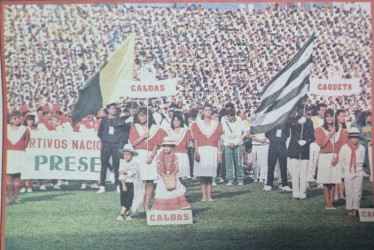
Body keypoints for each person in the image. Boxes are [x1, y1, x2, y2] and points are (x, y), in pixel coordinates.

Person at [129, 107, 167, 211]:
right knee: (140, 181)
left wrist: (151, 156)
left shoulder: (155, 128)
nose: (141, 118)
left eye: (143, 115)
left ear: (148, 116)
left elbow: (157, 144)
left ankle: (147, 204)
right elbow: (133, 143)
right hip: (139, 155)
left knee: (149, 181)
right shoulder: (135, 127)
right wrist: (143, 137)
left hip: (150, 155)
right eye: (139, 116)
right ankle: (140, 203)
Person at [314, 109, 346, 209]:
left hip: (335, 156)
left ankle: (331, 203)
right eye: (327, 116)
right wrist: (330, 134)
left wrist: (337, 156)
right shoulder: (319, 129)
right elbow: (322, 144)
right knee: (325, 181)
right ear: (325, 117)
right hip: (325, 156)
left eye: (331, 116)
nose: (329, 118)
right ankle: (327, 203)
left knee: (333, 181)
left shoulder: (339, 130)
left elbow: (342, 145)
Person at [191, 102, 223, 201]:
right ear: (203, 112)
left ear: (212, 111)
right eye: (206, 110)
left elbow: (218, 139)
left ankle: (209, 195)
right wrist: (196, 152)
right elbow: (195, 139)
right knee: (202, 174)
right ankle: (204, 195)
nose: (208, 112)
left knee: (210, 174)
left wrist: (219, 152)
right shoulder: (197, 124)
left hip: (212, 150)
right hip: (202, 149)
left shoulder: (217, 124)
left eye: (209, 110)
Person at [152, 137, 191, 210]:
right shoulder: (160, 155)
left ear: (172, 147)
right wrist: (162, 174)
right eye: (164, 146)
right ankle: (164, 207)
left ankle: (175, 207)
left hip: (172, 176)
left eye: (168, 146)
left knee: (174, 190)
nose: (166, 148)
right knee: (163, 191)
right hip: (163, 176)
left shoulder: (174, 156)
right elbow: (157, 168)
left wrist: (173, 173)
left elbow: (177, 168)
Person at [97, 103, 128, 193]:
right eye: (111, 108)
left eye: (115, 108)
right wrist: (105, 139)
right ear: (108, 110)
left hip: (116, 145)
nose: (113, 110)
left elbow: (123, 132)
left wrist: (119, 141)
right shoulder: (104, 120)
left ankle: (118, 185)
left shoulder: (120, 120)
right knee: (104, 165)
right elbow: (99, 133)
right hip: (106, 145)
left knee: (116, 165)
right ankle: (102, 185)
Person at [286, 106, 315, 199]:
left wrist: (306, 141)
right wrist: (298, 123)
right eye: (301, 109)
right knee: (295, 173)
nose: (303, 111)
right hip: (294, 149)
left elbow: (312, 136)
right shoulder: (292, 120)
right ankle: (295, 193)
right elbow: (288, 125)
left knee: (303, 173)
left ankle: (303, 193)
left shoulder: (309, 122)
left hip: (304, 149)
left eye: (305, 109)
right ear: (297, 110)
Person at [339, 127, 365, 217]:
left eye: (356, 137)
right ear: (349, 138)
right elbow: (341, 159)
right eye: (352, 137)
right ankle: (349, 208)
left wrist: (358, 168)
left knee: (357, 191)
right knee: (349, 191)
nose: (355, 139)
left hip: (358, 171)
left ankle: (355, 208)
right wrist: (346, 168)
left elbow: (362, 159)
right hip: (348, 171)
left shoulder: (361, 148)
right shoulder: (344, 147)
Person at [5, 110, 31, 204]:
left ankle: (16, 198)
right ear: (10, 119)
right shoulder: (5, 128)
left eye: (18, 118)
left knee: (17, 178)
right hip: (9, 154)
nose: (16, 120)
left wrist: (19, 148)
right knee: (9, 178)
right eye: (14, 118)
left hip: (19, 154)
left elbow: (26, 142)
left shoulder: (24, 129)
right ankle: (10, 198)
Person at [116, 144, 142, 221]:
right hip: (124, 183)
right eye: (124, 154)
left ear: (132, 155)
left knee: (129, 198)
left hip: (132, 183)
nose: (126, 156)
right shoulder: (122, 162)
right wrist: (123, 184)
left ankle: (121, 214)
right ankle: (127, 214)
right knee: (123, 198)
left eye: (128, 154)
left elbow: (133, 173)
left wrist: (126, 172)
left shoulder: (135, 164)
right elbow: (121, 174)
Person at [263, 123, 292, 191]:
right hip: (273, 144)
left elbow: (288, 133)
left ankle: (284, 184)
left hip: (282, 144)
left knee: (283, 166)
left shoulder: (285, 122)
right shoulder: (272, 122)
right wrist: (273, 138)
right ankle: (269, 184)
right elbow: (266, 133)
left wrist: (281, 138)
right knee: (271, 165)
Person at [221, 108, 246, 185]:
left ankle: (240, 179)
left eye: (229, 116)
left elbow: (243, 133)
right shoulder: (224, 123)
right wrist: (229, 143)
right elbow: (222, 134)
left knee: (238, 162)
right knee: (228, 163)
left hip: (238, 144)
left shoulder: (240, 122)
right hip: (227, 144)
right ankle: (230, 179)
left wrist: (236, 142)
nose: (228, 118)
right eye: (227, 117)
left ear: (233, 116)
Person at [167, 111, 192, 179]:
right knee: (173, 177)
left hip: (183, 155)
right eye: (174, 120)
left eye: (178, 120)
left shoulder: (186, 131)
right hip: (172, 156)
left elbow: (188, 146)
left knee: (181, 177)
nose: (176, 122)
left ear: (181, 121)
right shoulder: (169, 131)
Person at [334, 109, 349, 200]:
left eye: (344, 116)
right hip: (334, 153)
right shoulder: (333, 128)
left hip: (342, 154)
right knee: (336, 175)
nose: (343, 118)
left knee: (342, 175)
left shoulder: (345, 130)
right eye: (342, 116)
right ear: (337, 117)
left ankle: (342, 194)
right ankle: (335, 194)